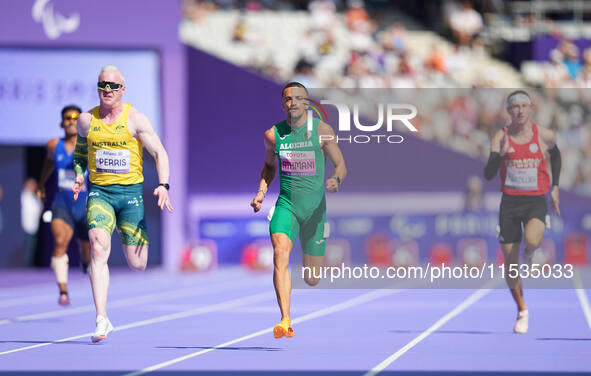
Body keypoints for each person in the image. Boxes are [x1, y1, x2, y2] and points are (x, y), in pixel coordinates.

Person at [72, 65, 173, 343]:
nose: (107, 89)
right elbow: (80, 153)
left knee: (137, 263)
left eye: (113, 86)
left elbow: (159, 152)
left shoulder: (135, 120)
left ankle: (121, 228)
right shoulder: (85, 120)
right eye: (103, 84)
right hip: (100, 193)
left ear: (123, 89)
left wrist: (163, 185)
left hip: (130, 195)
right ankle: (101, 318)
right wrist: (80, 175)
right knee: (98, 246)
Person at [250, 82, 347, 338]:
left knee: (313, 277)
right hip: (287, 205)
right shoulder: (273, 135)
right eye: (287, 99)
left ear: (307, 103)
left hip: (315, 211)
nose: (292, 102)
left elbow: (340, 164)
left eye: (297, 98)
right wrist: (261, 193)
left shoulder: (322, 131)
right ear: (283, 104)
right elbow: (269, 168)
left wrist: (336, 179)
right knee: (280, 253)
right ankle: (285, 319)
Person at [484, 90, 561, 334]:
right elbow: (488, 174)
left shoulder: (544, 135)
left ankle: (530, 253)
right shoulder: (500, 137)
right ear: (508, 112)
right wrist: (501, 155)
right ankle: (522, 310)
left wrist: (555, 187)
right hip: (510, 203)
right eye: (514, 106)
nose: (519, 110)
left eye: (523, 106)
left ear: (531, 109)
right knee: (509, 262)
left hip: (535, 200)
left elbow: (556, 155)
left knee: (532, 239)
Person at [37, 105, 91, 306]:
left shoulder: (89, 145)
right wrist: (42, 184)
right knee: (60, 241)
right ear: (62, 122)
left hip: (84, 203)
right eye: (67, 118)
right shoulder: (53, 145)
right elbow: (49, 163)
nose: (71, 120)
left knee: (88, 250)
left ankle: (86, 262)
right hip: (62, 203)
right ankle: (63, 290)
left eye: (75, 117)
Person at [21, 178, 43, 267]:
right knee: (27, 248)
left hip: (33, 226)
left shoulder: (34, 197)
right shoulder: (23, 196)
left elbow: (39, 210)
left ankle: (28, 265)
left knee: (31, 248)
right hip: (25, 226)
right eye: (32, 184)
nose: (34, 186)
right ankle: (26, 266)